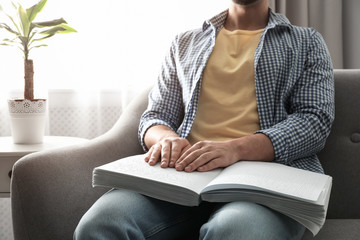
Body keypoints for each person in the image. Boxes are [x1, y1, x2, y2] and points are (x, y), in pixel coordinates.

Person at [74, 0, 334, 239]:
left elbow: (314, 121)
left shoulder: (306, 42)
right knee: (100, 224)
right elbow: (155, 116)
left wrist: (235, 150)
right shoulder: (184, 42)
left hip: (263, 188)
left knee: (236, 230)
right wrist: (166, 139)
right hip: (179, 180)